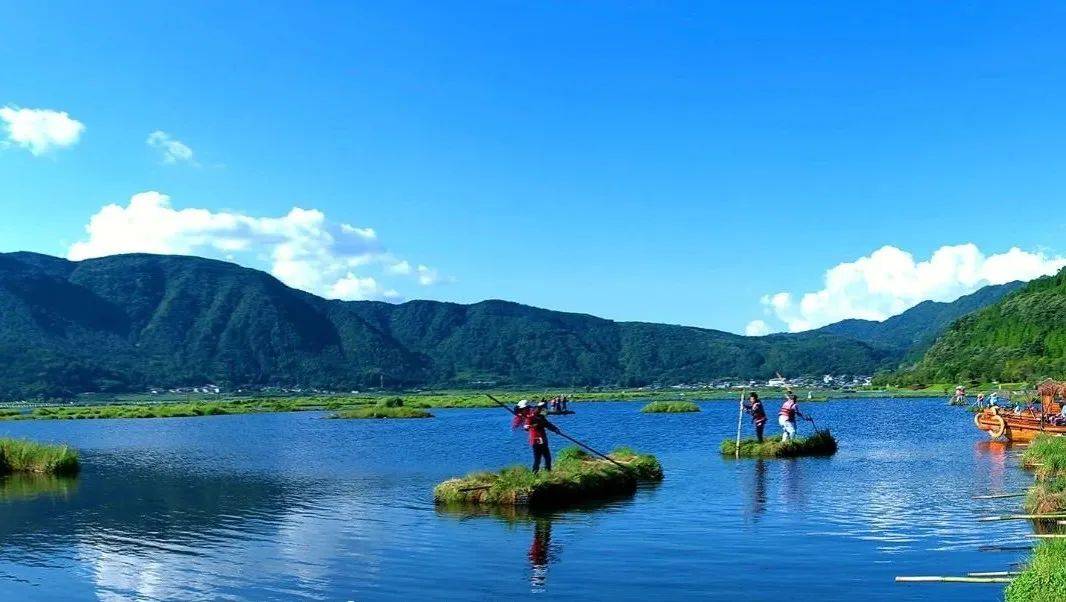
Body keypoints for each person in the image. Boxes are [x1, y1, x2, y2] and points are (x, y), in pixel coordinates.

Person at [525, 402, 560, 472]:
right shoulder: (531, 417)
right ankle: (534, 474)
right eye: (544, 409)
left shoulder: (542, 417)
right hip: (536, 440)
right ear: (539, 409)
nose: (545, 410)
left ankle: (548, 473)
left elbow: (547, 424)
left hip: (543, 440)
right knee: (537, 459)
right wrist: (527, 427)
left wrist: (555, 429)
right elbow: (526, 426)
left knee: (548, 458)